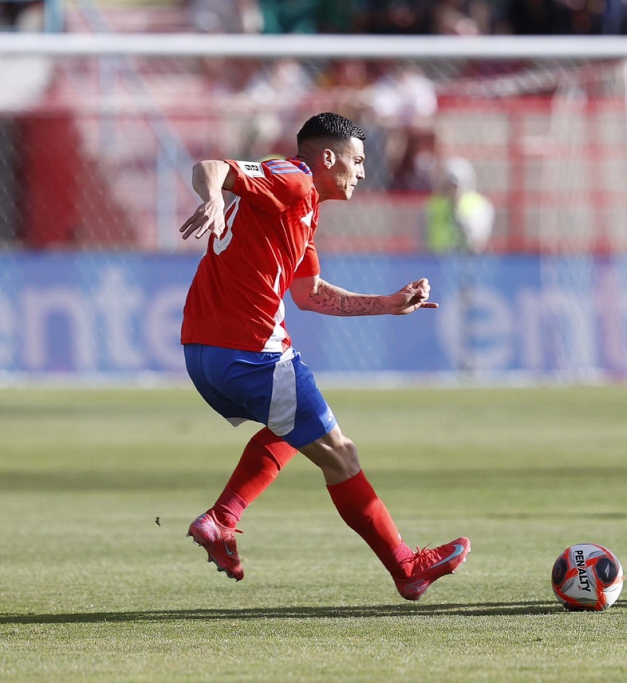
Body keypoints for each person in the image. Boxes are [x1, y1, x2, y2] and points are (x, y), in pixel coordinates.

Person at [178, 112, 470, 601]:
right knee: (341, 453)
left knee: (294, 430)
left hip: (202, 354)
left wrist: (387, 304)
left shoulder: (305, 209)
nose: (362, 172)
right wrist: (212, 195)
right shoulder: (292, 179)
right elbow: (212, 166)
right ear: (327, 157)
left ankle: (221, 520)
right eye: (356, 161)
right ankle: (406, 567)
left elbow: (310, 294)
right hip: (253, 351)